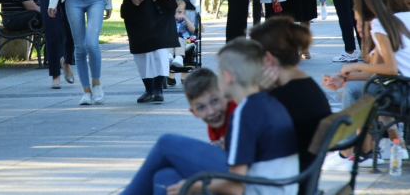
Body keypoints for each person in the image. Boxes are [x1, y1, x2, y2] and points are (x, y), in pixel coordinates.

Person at [121, 39, 299, 195]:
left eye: (219, 73)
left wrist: (197, 186)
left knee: (166, 143)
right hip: (268, 185)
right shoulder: (263, 103)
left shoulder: (244, 113)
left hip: (258, 188)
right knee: (166, 176)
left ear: (227, 77)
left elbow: (236, 188)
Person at [321, 0, 410, 171]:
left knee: (358, 91)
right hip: (403, 88)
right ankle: (390, 145)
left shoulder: (380, 24)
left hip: (404, 92)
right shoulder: (393, 20)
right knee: (364, 89)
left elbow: (390, 69)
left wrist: (351, 68)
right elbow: (376, 68)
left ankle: (351, 151)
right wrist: (343, 76)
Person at [250, 17, 331, 194]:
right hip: (303, 181)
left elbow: (240, 145)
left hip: (280, 184)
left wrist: (257, 95)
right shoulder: (306, 87)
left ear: (268, 58)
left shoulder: (280, 100)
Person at [153, 68, 238, 191]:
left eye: (214, 101)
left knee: (166, 143)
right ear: (194, 112)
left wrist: (194, 185)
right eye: (201, 107)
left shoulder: (237, 112)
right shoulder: (214, 125)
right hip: (226, 170)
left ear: (226, 95)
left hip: (243, 176)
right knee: (166, 175)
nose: (211, 112)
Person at [167, 0, 195, 85]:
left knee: (177, 39)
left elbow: (193, 29)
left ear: (184, 12)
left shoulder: (185, 21)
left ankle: (179, 57)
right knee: (170, 39)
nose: (177, 15)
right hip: (170, 41)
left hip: (184, 41)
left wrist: (185, 19)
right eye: (174, 12)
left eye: (179, 12)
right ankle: (170, 56)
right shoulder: (169, 21)